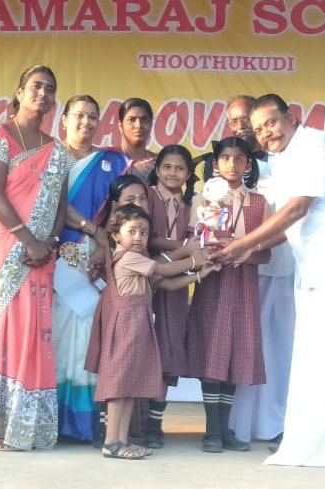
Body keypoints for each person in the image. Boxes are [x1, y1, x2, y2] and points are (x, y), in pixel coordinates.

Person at [212, 94, 325, 467]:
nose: (266, 133)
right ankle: (313, 440)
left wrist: (243, 243)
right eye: (259, 129)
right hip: (318, 264)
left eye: (271, 123)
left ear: (291, 118)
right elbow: (286, 225)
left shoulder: (315, 144)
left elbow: (297, 208)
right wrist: (248, 248)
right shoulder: (282, 160)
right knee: (314, 356)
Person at [0, 65, 68, 451]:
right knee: (7, 329)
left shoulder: (56, 150)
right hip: (7, 248)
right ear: (20, 91)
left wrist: (50, 242)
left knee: (35, 330)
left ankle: (28, 425)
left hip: (41, 255)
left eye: (49, 89)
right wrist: (28, 241)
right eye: (36, 86)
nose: (42, 94)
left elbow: (60, 204)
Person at [87, 203, 215, 459]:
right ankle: (111, 442)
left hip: (138, 326)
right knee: (119, 386)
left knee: (130, 386)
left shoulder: (139, 262)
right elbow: (164, 269)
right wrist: (193, 259)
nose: (138, 237)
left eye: (144, 233)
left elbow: (167, 283)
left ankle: (121, 440)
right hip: (126, 326)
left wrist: (200, 275)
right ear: (116, 235)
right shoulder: (128, 258)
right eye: (132, 231)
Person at [52, 94, 133, 444]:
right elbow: (51, 204)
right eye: (79, 115)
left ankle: (85, 424)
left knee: (87, 335)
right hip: (53, 257)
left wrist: (103, 243)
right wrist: (91, 229)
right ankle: (52, 420)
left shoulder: (112, 163)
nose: (86, 122)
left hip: (92, 261)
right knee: (56, 333)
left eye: (93, 117)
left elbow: (120, 209)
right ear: (64, 119)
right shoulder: (49, 157)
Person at [187, 137, 272, 454]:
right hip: (212, 280)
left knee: (235, 350)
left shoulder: (260, 203)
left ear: (248, 164)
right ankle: (212, 430)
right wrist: (211, 253)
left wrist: (247, 253)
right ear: (216, 163)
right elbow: (192, 242)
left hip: (243, 283)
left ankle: (225, 429)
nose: (232, 164)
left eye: (239, 159)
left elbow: (267, 253)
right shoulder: (204, 198)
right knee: (212, 348)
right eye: (225, 158)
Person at [224, 95, 296, 447]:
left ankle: (275, 423)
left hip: (287, 264)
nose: (242, 128)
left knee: (281, 346)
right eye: (234, 121)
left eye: (247, 121)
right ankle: (237, 425)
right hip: (246, 268)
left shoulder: (289, 159)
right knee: (249, 345)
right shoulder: (227, 165)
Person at [143, 144, 199, 449]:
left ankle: (155, 424)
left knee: (167, 351)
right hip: (143, 282)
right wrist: (180, 246)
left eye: (179, 168)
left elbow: (200, 242)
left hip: (176, 287)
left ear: (188, 174)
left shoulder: (195, 205)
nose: (172, 173)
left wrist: (190, 252)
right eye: (167, 167)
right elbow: (141, 236)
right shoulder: (146, 197)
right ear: (157, 169)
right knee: (140, 350)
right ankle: (135, 421)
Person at [115, 97, 157, 182]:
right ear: (120, 126)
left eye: (145, 120)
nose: (139, 125)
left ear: (151, 125)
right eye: (131, 120)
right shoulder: (108, 159)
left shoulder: (158, 163)